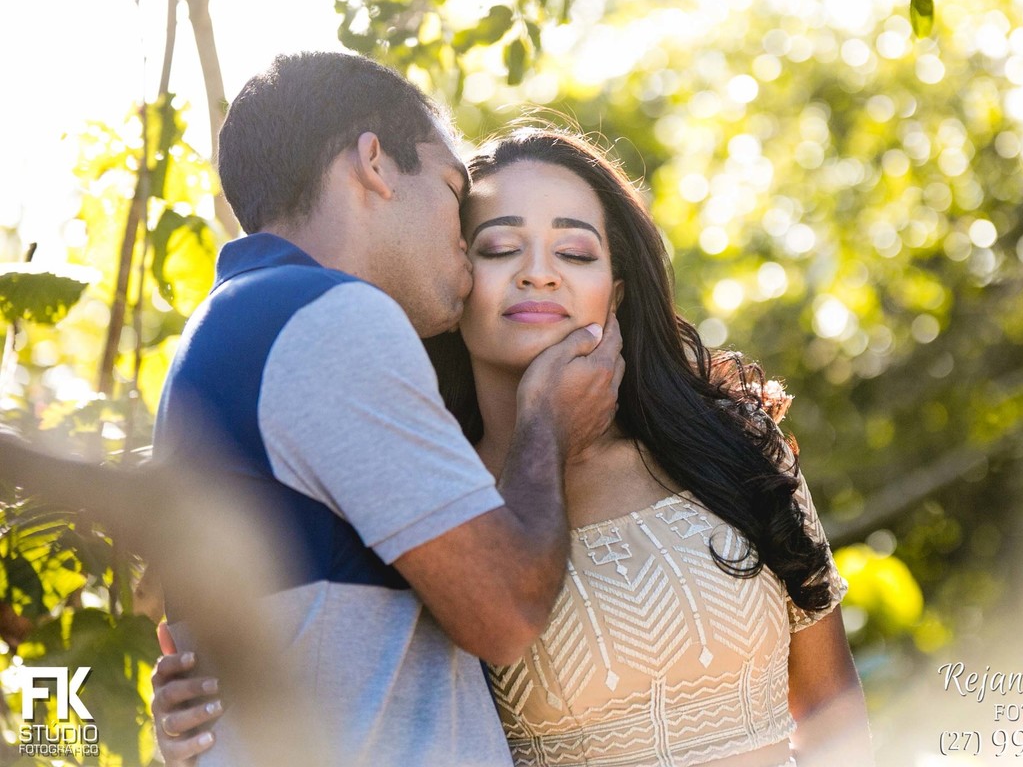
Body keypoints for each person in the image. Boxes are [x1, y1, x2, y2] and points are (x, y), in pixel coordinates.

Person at [156, 126, 873, 766]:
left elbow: (833, 707)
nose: (539, 272)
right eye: (497, 248)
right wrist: (202, 714)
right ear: (454, 280)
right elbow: (338, 674)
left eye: (574, 250)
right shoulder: (428, 508)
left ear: (615, 293)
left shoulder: (732, 443)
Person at [150, 54, 623, 767]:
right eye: (449, 188)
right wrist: (547, 424)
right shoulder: (325, 321)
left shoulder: (229, 331)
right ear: (374, 163)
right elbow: (502, 614)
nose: (462, 235)